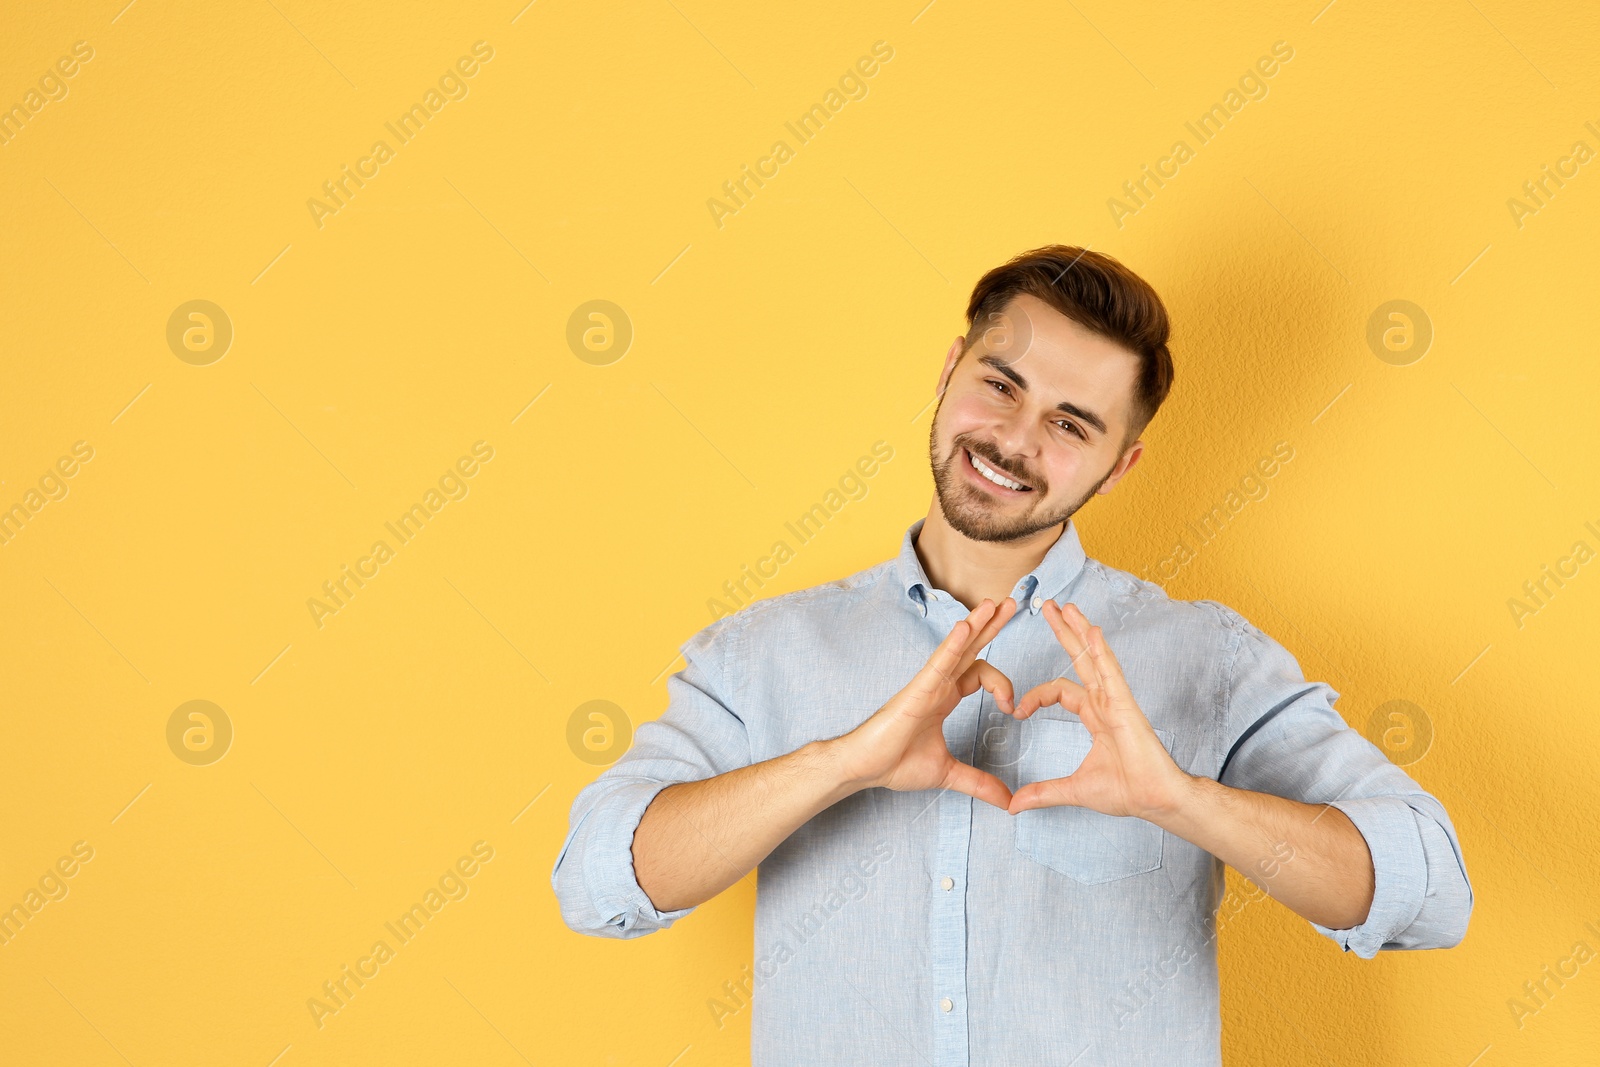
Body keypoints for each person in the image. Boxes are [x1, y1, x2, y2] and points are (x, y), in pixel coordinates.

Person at [550, 244, 1473, 1065]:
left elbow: (1432, 896)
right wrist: (838, 766)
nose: (1015, 440)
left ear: (1119, 467)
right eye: (1001, 385)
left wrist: (1183, 801)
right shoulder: (765, 651)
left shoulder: (1208, 658)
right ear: (951, 369)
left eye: (1072, 424)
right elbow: (597, 883)